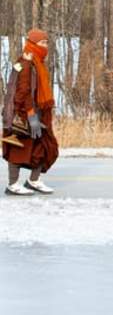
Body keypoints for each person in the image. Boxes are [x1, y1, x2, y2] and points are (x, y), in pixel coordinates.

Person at [2, 28, 59, 196]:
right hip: (26, 114)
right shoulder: (26, 64)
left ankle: (33, 181)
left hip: (40, 113)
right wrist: (30, 114)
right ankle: (13, 185)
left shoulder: (37, 63)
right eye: (42, 43)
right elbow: (22, 92)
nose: (45, 46)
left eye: (46, 42)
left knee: (44, 146)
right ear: (32, 44)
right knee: (19, 147)